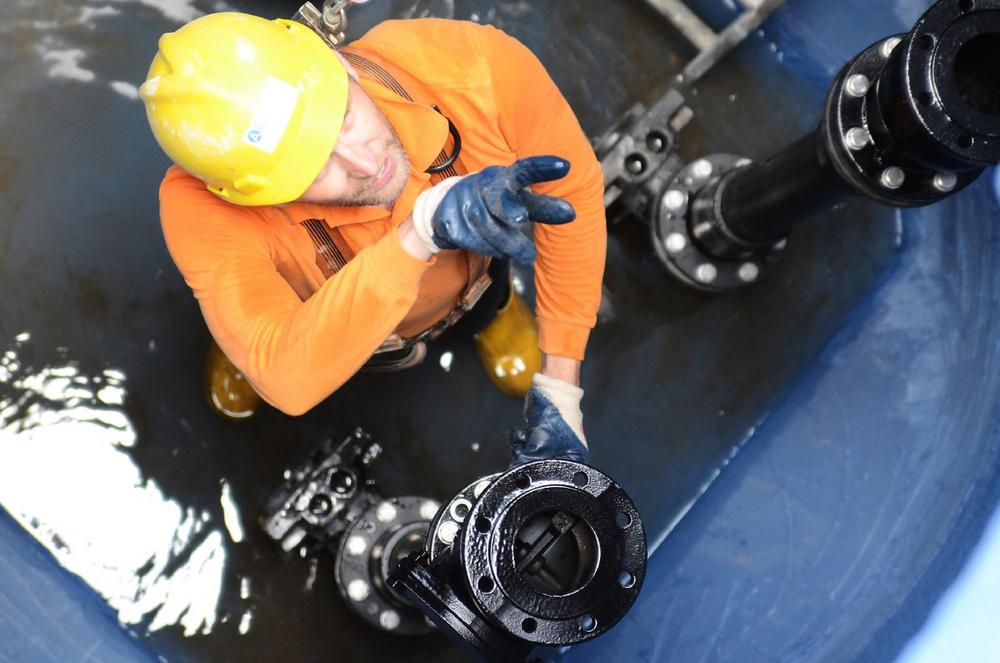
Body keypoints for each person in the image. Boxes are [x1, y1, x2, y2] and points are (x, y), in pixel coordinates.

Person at [139, 12, 606, 465]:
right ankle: (237, 347)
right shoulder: (199, 204)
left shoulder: (473, 68)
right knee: (252, 338)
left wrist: (560, 386)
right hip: (318, 324)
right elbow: (285, 378)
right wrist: (420, 232)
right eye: (312, 171)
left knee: (485, 302)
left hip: (469, 282)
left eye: (343, 116)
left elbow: (573, 194)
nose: (365, 165)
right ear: (249, 195)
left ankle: (492, 317)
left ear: (336, 60)